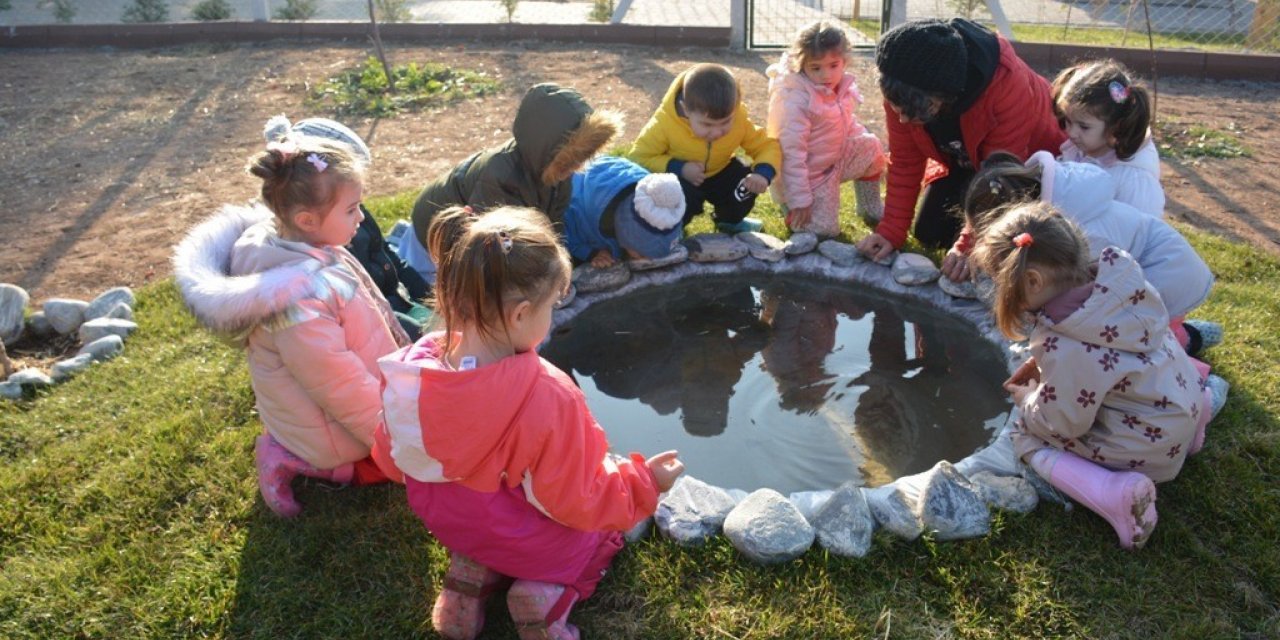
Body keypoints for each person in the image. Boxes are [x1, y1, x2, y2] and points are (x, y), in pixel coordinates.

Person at [376, 206, 685, 640]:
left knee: (487, 519)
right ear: (520, 314)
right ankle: (545, 596)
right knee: (600, 539)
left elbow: (389, 454)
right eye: (551, 306)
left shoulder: (412, 370)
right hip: (525, 541)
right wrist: (644, 483)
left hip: (454, 525)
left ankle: (473, 574)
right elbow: (575, 498)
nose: (552, 316)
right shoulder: (546, 394)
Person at [173, 134, 410, 517]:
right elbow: (339, 385)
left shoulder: (300, 246)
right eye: (352, 210)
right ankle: (289, 457)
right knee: (394, 466)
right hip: (323, 426)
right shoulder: (298, 301)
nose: (362, 218)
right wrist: (394, 438)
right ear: (306, 220)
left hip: (327, 404)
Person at [970, 202, 1225, 549]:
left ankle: (1113, 493)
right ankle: (1193, 428)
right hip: (1180, 404)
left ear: (1032, 281)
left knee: (1026, 436)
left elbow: (1061, 424)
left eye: (1002, 283)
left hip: (1149, 449)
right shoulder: (1118, 286)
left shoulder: (1068, 346)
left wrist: (1029, 400)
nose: (1001, 293)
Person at [953, 151, 1223, 358]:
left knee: (1133, 343)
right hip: (1152, 270)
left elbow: (1089, 309)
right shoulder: (1060, 206)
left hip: (1167, 276)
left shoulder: (1088, 237)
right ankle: (1181, 332)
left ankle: (1189, 344)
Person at [858, 18, 1065, 262]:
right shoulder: (902, 84)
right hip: (966, 158)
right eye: (897, 109)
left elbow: (1001, 176)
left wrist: (968, 246)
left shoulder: (1008, 85)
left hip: (1028, 165)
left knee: (1013, 244)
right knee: (931, 233)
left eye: (914, 113)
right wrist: (891, 231)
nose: (902, 119)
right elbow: (905, 161)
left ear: (944, 97)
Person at [397, 83, 621, 282]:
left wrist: (562, 265)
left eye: (582, 156)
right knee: (435, 296)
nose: (577, 165)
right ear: (547, 148)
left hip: (486, 232)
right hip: (433, 234)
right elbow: (489, 245)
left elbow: (552, 226)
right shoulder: (499, 177)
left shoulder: (557, 173)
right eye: (572, 157)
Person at [263, 114, 433, 339]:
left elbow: (390, 258)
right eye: (352, 208)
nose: (360, 215)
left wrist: (434, 297)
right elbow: (366, 315)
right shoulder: (326, 248)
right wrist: (425, 334)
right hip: (386, 324)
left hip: (400, 303)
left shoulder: (344, 215)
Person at [629, 63, 783, 233]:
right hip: (682, 179)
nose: (717, 132)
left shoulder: (739, 119)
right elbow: (638, 157)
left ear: (736, 105)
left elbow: (766, 145)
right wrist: (678, 167)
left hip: (720, 171)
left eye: (726, 122)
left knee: (743, 179)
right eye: (707, 124)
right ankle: (672, 229)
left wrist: (763, 173)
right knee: (673, 192)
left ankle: (729, 220)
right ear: (686, 109)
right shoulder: (664, 124)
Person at [766, 20, 886, 237]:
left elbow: (845, 123)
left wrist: (864, 144)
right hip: (807, 176)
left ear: (844, 61)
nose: (826, 75)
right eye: (816, 67)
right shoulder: (795, 100)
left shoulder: (840, 86)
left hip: (832, 160)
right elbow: (791, 154)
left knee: (872, 147)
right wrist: (800, 199)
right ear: (801, 64)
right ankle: (792, 210)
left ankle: (869, 206)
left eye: (833, 65)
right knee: (824, 231)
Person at [1053, 59, 1165, 218]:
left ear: (1116, 127)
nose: (1071, 132)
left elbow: (1141, 227)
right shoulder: (1082, 148)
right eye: (1068, 121)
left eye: (1083, 126)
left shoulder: (1133, 179)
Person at [562, 155, 685, 267]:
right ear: (627, 236)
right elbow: (563, 235)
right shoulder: (575, 210)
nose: (648, 260)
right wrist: (591, 253)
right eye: (642, 254)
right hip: (573, 185)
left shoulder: (657, 198)